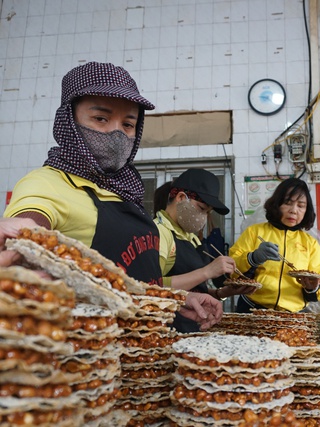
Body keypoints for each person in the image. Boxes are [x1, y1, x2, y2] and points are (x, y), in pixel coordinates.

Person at [2, 62, 222, 330]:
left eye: (128, 124)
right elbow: (26, 230)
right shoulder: (46, 183)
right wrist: (20, 236)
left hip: (142, 351)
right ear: (69, 121)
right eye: (101, 119)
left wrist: (172, 299)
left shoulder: (126, 191)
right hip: (83, 352)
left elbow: (126, 280)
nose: (117, 134)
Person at [153, 168, 257, 332]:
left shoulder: (190, 237)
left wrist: (221, 293)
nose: (203, 217)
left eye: (208, 213)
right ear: (181, 198)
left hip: (195, 328)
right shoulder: (159, 233)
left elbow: (194, 289)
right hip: (168, 329)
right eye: (201, 209)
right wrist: (207, 271)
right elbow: (152, 286)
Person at [229, 177, 320, 313]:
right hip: (251, 309)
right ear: (276, 204)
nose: (294, 210)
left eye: (301, 206)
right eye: (287, 203)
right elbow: (231, 270)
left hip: (293, 315)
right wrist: (252, 258)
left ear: (306, 211)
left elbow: (317, 284)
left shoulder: (310, 243)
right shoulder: (254, 232)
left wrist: (312, 287)